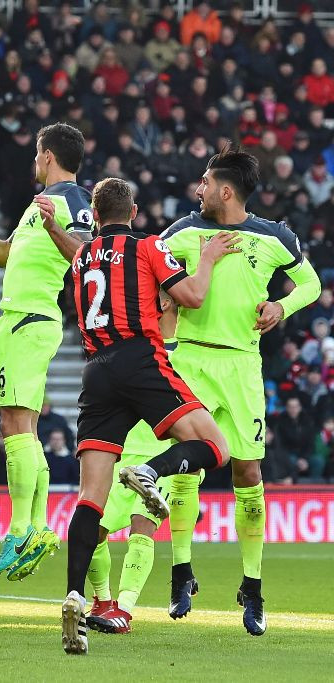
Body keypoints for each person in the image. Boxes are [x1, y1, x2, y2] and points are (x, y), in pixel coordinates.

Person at [47, 177, 238, 655]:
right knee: (216, 447)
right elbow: (191, 295)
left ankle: (74, 595)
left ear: (95, 213)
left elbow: (78, 249)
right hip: (140, 359)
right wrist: (210, 257)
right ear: (132, 212)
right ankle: (151, 470)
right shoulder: (148, 247)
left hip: (95, 372)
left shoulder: (82, 256)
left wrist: (53, 226)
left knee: (90, 497)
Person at [159, 148, 321, 634]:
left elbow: (309, 284)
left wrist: (281, 307)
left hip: (242, 364)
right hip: (189, 357)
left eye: (205, 181)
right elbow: (152, 269)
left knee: (247, 471)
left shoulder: (275, 236)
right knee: (188, 462)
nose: (198, 189)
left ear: (225, 190)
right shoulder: (185, 231)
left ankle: (251, 588)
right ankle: (181, 573)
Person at [0, 123, 92, 581]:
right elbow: (9, 254)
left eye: (35, 153)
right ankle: (40, 526)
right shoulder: (39, 205)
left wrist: (52, 224)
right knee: (22, 426)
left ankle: (17, 530)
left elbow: (87, 254)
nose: (33, 160)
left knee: (14, 426)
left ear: (47, 155)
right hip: (18, 321)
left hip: (31, 320)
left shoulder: (71, 200)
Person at [83, 290, 195, 634]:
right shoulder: (137, 346)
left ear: (164, 303)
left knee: (142, 526)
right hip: (122, 451)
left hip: (161, 458)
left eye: (152, 294)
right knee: (94, 531)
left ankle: (125, 609)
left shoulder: (192, 352)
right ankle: (104, 602)